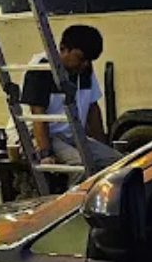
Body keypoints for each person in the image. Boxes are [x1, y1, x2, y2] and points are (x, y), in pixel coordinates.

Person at [16, 24, 120, 176]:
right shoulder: (41, 69)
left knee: (118, 163)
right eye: (81, 58)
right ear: (63, 49)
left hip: (72, 136)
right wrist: (45, 154)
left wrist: (103, 145)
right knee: (81, 167)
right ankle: (76, 192)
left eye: (89, 60)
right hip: (42, 135)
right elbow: (38, 117)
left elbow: (93, 110)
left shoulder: (83, 69)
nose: (85, 64)